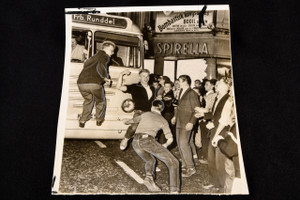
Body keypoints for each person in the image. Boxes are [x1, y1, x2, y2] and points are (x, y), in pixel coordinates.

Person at [124, 100, 180, 193]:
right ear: (161, 109)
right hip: (147, 140)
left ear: (152, 107)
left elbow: (131, 121)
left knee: (151, 160)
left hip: (135, 142)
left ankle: (149, 177)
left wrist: (125, 122)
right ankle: (174, 190)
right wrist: (165, 145)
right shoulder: (163, 120)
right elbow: (170, 139)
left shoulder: (145, 114)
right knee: (174, 162)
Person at [200, 79, 233, 192]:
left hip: (222, 132)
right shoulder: (218, 98)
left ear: (226, 86)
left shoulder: (228, 99)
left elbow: (225, 119)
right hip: (215, 130)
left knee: (220, 160)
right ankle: (214, 182)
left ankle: (222, 185)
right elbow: (216, 115)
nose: (216, 86)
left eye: (218, 84)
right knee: (212, 157)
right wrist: (208, 119)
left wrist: (215, 130)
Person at [77, 41, 115, 128]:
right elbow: (101, 66)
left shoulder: (93, 57)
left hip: (81, 83)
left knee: (88, 100)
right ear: (105, 49)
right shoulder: (104, 56)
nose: (112, 53)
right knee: (100, 101)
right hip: (94, 84)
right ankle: (99, 120)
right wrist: (106, 77)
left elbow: (85, 64)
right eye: (111, 51)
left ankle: (82, 120)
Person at [117, 69, 156, 150]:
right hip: (139, 112)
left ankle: (146, 147)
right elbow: (119, 87)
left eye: (147, 76)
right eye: (143, 76)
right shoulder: (135, 87)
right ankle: (125, 139)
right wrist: (121, 74)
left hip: (149, 113)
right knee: (134, 127)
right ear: (139, 77)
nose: (146, 78)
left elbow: (153, 101)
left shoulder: (153, 88)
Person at [171, 75, 200, 177]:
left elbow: (197, 109)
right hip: (180, 121)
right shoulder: (181, 91)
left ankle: (191, 167)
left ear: (185, 81)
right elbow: (178, 107)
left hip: (187, 123)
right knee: (179, 143)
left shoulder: (192, 93)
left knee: (184, 143)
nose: (177, 83)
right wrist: (175, 117)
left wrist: (192, 122)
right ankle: (185, 164)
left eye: (179, 81)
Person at [196, 79, 217, 164]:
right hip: (203, 118)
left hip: (206, 118)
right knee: (203, 137)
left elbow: (209, 108)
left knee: (205, 138)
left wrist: (201, 111)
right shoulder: (206, 95)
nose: (205, 86)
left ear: (212, 86)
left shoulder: (213, 95)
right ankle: (205, 155)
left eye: (207, 85)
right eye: (205, 85)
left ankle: (207, 157)